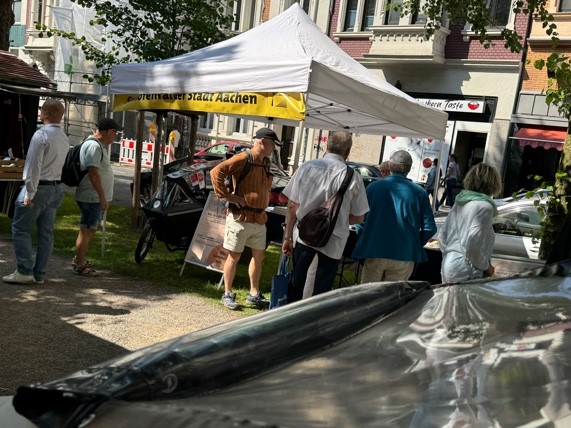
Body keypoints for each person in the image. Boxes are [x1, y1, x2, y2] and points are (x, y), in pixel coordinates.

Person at [281, 131, 369, 302]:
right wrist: (338, 219)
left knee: (296, 282)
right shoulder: (353, 177)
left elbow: (292, 205)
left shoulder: (307, 167)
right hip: (334, 239)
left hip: (304, 234)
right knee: (322, 288)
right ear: (347, 151)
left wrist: (288, 236)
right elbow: (359, 218)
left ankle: (290, 320)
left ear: (326, 146)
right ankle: (315, 323)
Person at [210, 127, 282, 310]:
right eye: (272, 144)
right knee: (234, 256)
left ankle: (254, 294)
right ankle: (227, 293)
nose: (274, 148)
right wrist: (227, 195)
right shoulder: (243, 158)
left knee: (259, 256)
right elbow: (216, 172)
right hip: (240, 217)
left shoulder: (266, 163)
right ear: (262, 142)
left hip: (259, 218)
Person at [2, 99, 70, 285]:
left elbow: (33, 166)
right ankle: (39, 273)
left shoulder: (41, 135)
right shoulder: (64, 137)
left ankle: (24, 270)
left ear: (46, 113)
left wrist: (29, 193)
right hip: (55, 187)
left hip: (39, 187)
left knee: (20, 228)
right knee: (46, 232)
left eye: (42, 110)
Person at [352, 150, 437, 283]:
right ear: (409, 169)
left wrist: (365, 236)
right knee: (394, 300)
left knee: (368, 298)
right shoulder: (419, 193)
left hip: (374, 250)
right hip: (404, 255)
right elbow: (429, 228)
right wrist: (414, 243)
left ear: (390, 166)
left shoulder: (373, 188)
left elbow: (360, 220)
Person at [72, 118, 121, 276]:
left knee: (88, 230)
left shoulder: (98, 145)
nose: (116, 136)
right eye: (115, 132)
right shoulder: (94, 146)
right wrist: (102, 197)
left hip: (93, 196)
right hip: (92, 197)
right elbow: (93, 174)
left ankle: (79, 259)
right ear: (107, 132)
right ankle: (79, 263)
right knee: (87, 230)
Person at [439, 162, 503, 283]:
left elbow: (442, 236)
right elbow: (473, 245)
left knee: (449, 301)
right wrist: (486, 267)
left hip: (448, 265)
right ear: (493, 183)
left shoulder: (460, 201)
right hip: (467, 269)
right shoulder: (485, 207)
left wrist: (450, 253)